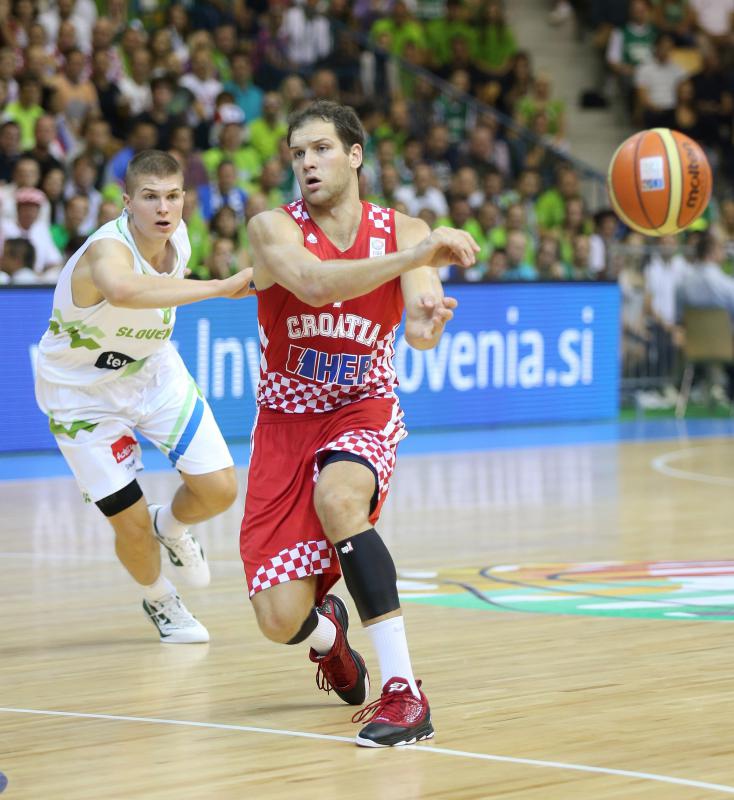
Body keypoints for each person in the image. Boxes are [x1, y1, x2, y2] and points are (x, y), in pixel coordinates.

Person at [242, 101, 479, 748]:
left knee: (340, 495)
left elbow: (422, 323)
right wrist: (417, 257)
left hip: (361, 406)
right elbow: (315, 285)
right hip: (285, 423)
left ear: (355, 155)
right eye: (297, 154)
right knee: (277, 618)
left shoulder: (404, 231)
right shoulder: (270, 228)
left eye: (320, 149)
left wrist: (427, 322)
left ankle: (404, 692)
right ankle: (331, 639)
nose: (307, 163)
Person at [34, 150, 254, 644]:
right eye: (150, 198)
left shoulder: (179, 239)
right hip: (80, 395)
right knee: (129, 525)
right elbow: (124, 291)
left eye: (173, 197)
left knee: (219, 490)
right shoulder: (105, 251)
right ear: (126, 202)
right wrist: (219, 288)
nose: (163, 208)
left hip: (153, 371)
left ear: (184, 199)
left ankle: (171, 526)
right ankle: (160, 599)